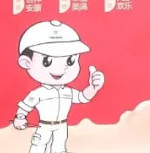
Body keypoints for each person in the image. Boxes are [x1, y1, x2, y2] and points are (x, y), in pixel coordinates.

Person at [12, 20, 105, 153]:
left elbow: (83, 97)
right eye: (47, 61)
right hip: (44, 126)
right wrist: (20, 117)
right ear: (26, 62)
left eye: (70, 60)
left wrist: (93, 88)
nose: (63, 67)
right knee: (38, 148)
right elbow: (25, 106)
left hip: (62, 126)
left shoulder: (67, 91)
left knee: (60, 149)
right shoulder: (39, 93)